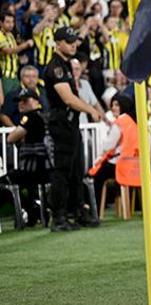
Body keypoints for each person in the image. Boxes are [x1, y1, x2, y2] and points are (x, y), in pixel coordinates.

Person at [44, 26, 103, 232]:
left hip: (71, 123)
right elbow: (68, 99)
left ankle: (78, 210)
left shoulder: (67, 64)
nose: (73, 45)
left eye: (74, 41)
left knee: (77, 169)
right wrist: (91, 110)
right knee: (62, 171)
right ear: (58, 43)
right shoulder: (55, 67)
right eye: (69, 42)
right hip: (61, 123)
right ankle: (58, 216)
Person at [88, 94, 141, 212]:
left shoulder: (119, 123)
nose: (113, 108)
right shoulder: (136, 122)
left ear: (124, 105)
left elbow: (108, 145)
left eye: (116, 105)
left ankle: (95, 210)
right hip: (137, 164)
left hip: (120, 164)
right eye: (112, 105)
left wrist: (101, 154)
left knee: (95, 177)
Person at [6, 89, 51, 227]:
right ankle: (34, 209)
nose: (21, 104)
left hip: (33, 170)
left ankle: (32, 209)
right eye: (19, 101)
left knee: (5, 183)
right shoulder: (47, 115)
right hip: (49, 168)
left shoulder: (30, 117)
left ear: (36, 101)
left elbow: (11, 138)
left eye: (25, 100)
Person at [1, 12, 34, 95]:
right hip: (6, 75)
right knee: (7, 99)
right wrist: (25, 45)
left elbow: (14, 53)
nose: (11, 25)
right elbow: (8, 51)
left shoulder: (10, 35)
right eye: (8, 22)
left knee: (18, 98)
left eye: (12, 22)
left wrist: (19, 59)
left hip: (15, 75)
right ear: (1, 23)